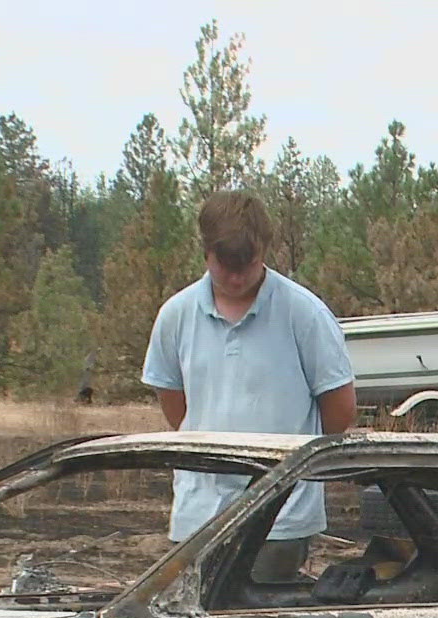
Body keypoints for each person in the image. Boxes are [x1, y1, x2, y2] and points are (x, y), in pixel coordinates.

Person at [141, 190, 356, 580]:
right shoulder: (175, 315)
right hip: (197, 517)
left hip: (280, 520)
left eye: (249, 263)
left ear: (264, 251)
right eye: (227, 265)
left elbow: (339, 412)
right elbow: (176, 407)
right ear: (205, 252)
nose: (238, 276)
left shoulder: (304, 314)